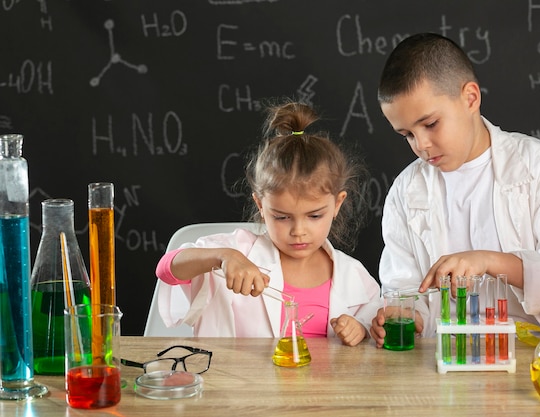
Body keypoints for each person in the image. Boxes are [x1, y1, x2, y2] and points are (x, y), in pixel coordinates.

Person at [370, 33, 540, 344]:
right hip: (450, 360)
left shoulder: (539, 169)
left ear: (470, 98)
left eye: (431, 124)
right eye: (406, 134)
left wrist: (487, 261)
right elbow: (404, 288)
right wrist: (404, 315)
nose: (421, 144)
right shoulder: (406, 192)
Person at [156, 100, 382, 346]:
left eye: (314, 216)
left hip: (323, 385)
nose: (298, 231)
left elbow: (374, 322)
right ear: (261, 206)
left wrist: (360, 328)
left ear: (337, 204)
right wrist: (224, 256)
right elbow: (167, 269)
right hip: (241, 384)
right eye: (282, 217)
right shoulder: (240, 251)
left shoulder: (354, 276)